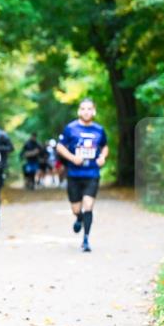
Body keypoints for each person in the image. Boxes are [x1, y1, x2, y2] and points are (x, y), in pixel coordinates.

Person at [55, 98, 109, 252]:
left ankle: (86, 239)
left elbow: (104, 147)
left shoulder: (99, 130)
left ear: (94, 111)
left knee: (89, 205)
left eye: (89, 109)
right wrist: (72, 158)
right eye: (83, 109)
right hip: (74, 174)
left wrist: (102, 157)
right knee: (76, 208)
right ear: (79, 111)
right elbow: (60, 147)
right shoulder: (70, 128)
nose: (86, 112)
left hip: (92, 173)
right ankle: (78, 218)